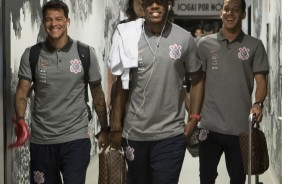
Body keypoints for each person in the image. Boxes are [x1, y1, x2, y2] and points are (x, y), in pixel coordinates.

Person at [108, 0, 205, 183]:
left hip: (171, 134)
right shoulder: (129, 36)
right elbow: (121, 83)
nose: (154, 5)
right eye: (149, 2)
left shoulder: (184, 38)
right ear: (142, 5)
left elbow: (198, 79)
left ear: (168, 3)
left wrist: (193, 118)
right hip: (134, 134)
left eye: (159, 1)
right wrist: (115, 127)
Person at [14, 1, 108, 183]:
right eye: (48, 20)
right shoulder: (32, 54)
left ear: (67, 21)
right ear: (43, 23)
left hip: (76, 138)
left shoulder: (85, 53)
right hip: (42, 140)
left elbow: (97, 94)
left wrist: (104, 128)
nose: (53, 24)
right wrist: (20, 120)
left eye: (58, 19)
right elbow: (22, 92)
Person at [197, 0, 269, 183]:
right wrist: (193, 116)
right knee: (206, 178)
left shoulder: (255, 45)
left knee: (237, 179)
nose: (230, 13)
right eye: (226, 9)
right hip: (208, 127)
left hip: (240, 129)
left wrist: (258, 103)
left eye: (236, 10)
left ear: (243, 14)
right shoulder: (204, 44)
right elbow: (197, 84)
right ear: (220, 13)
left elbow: (261, 81)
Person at [106, 0, 144, 110]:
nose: (141, 5)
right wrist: (109, 94)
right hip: (124, 88)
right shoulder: (122, 27)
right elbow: (113, 63)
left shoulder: (157, 29)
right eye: (138, 1)